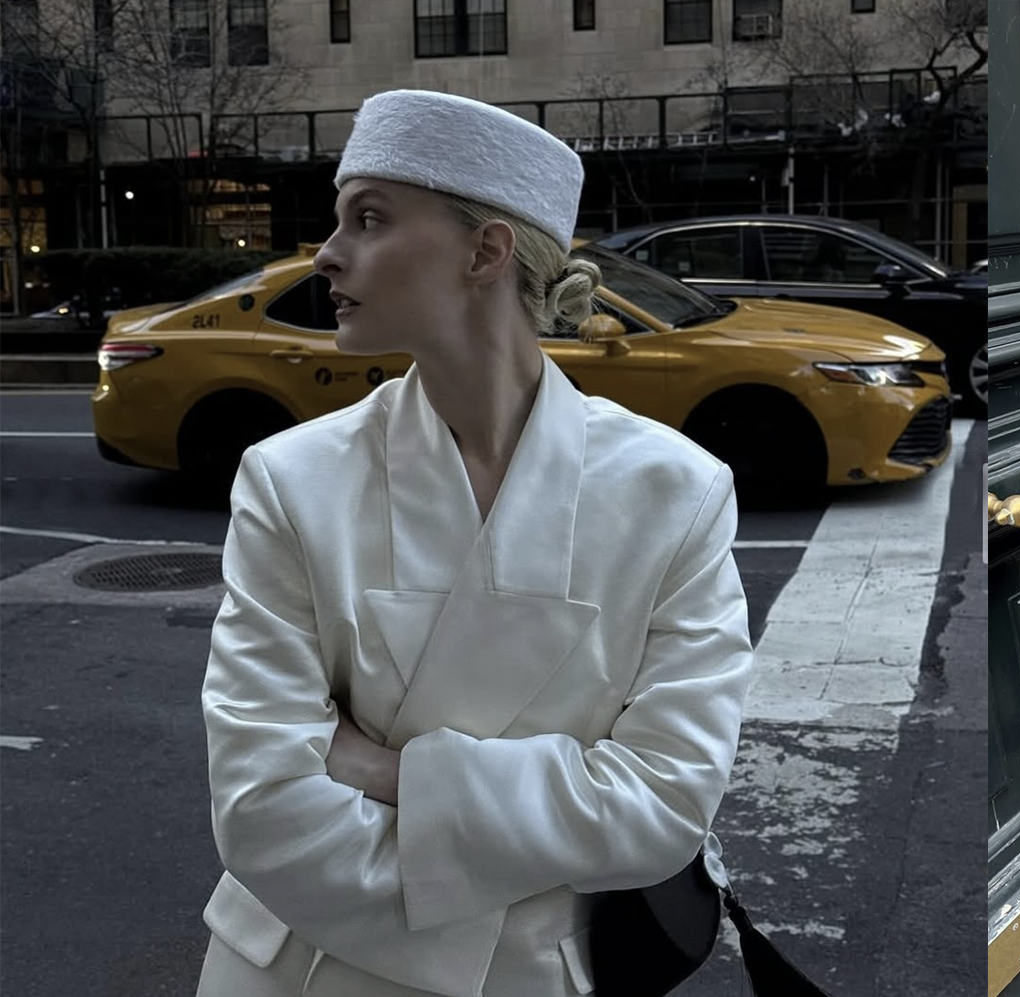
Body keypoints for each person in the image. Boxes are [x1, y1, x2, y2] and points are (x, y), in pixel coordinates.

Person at [194, 89, 753, 995]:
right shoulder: (290, 479)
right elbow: (261, 812)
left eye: (368, 218)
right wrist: (537, 835)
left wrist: (385, 767)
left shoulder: (676, 492)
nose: (327, 253)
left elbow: (664, 807)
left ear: (485, 251)